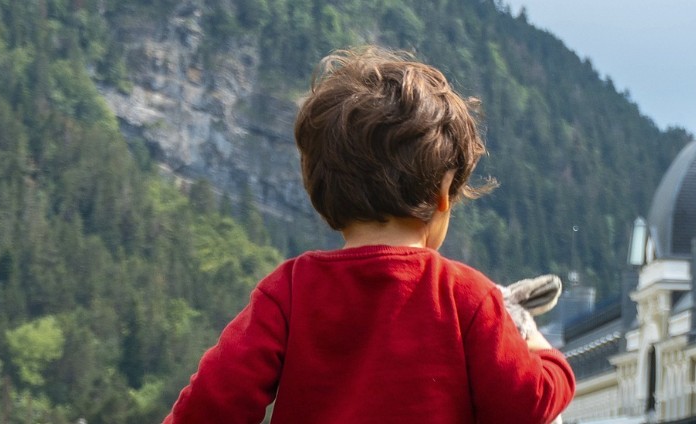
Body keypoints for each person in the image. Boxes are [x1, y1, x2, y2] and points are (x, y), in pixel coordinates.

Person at [163, 46, 575, 424]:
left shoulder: (288, 293)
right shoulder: (467, 296)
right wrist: (542, 352)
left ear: (321, 187)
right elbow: (525, 406)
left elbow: (207, 408)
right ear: (442, 195)